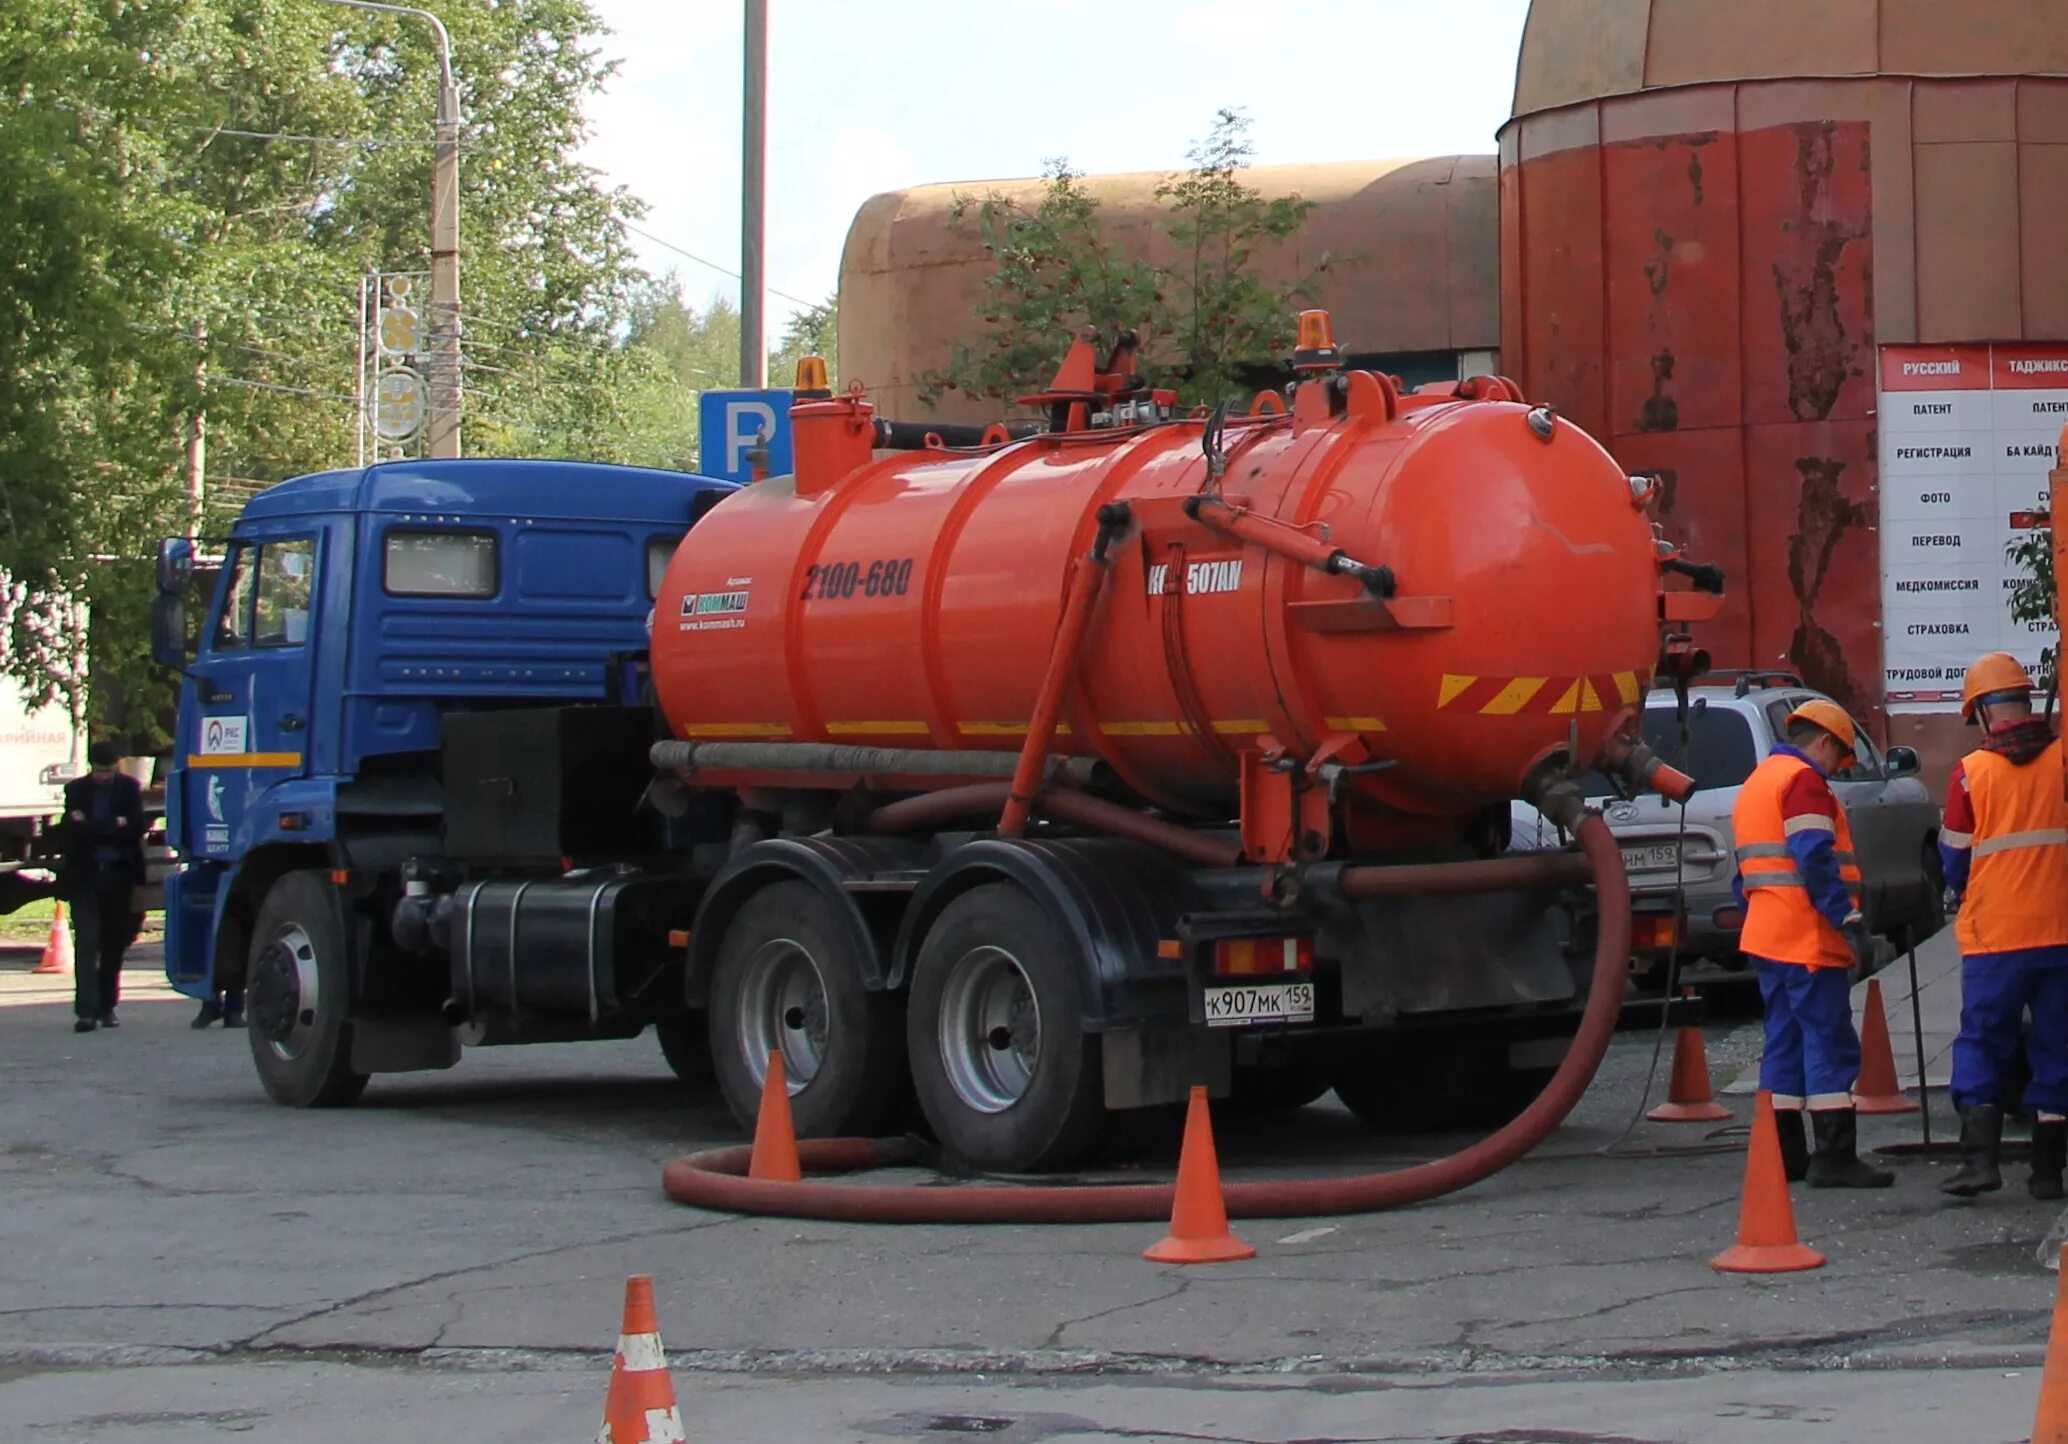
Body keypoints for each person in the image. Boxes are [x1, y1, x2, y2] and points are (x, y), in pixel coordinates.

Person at [1731, 698, 1892, 1188]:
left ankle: (1785, 1156)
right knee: (1828, 1041)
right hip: (1806, 936)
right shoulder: (1803, 782)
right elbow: (1814, 856)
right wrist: (1846, 916)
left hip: (1768, 934)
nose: (1837, 770)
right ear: (1823, 742)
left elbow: (1746, 875)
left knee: (1783, 1041)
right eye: (1840, 758)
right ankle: (1835, 1158)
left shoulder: (1757, 783)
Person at [1937, 653, 2068, 1200]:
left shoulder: (1970, 774)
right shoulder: (2063, 759)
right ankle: (2047, 1173)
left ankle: (1979, 1162)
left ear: (1984, 714)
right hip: (2061, 933)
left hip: (1995, 938)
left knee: (1983, 1041)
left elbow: (1953, 861)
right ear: (2026, 701)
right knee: (2058, 1047)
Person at [59, 740, 146, 1034]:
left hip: (118, 876)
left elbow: (134, 828)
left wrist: (96, 827)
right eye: (99, 771)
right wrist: (112, 825)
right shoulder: (76, 791)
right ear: (90, 767)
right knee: (86, 942)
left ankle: (107, 1005)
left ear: (117, 767)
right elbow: (72, 830)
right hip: (86, 877)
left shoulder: (129, 789)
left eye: (108, 771)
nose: (103, 776)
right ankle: (85, 1011)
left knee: (113, 944)